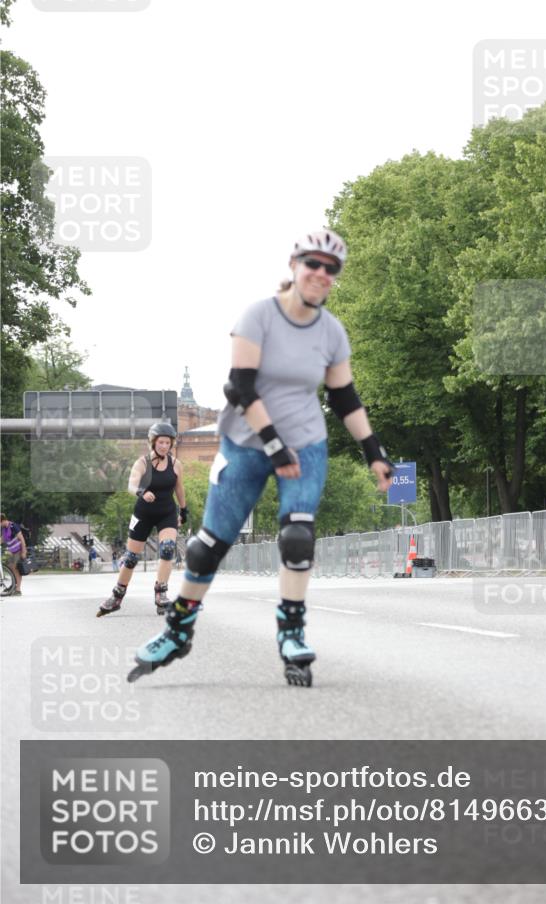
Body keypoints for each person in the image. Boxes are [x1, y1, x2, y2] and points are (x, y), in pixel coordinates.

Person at [128, 230, 393, 687]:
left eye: (332, 269)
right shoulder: (258, 316)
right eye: (314, 264)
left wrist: (375, 452)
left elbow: (345, 398)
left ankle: (292, 632)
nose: (322, 274)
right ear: (295, 265)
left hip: (306, 442)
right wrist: (273, 444)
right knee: (207, 545)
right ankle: (178, 629)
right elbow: (240, 388)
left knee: (296, 536)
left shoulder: (331, 331)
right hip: (245, 443)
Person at [97, 422, 188, 616]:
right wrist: (141, 492)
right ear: (153, 443)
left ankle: (161, 593)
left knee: (168, 549)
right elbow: (131, 484)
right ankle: (117, 596)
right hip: (143, 513)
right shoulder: (143, 462)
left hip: (166, 512)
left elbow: (179, 488)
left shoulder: (176, 464)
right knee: (130, 558)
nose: (164, 446)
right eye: (161, 442)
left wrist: (184, 509)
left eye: (168, 443)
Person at [1, 514, 28, 596]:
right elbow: (3, 539)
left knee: (16, 569)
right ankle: (13, 585)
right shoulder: (3, 528)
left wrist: (24, 552)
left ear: (2, 521)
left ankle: (18, 589)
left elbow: (21, 539)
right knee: (9, 567)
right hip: (12, 551)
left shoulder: (13, 526)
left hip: (18, 550)